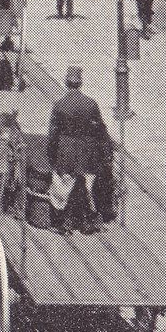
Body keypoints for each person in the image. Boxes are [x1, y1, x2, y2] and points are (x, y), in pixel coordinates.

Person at [46, 66, 112, 235]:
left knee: (64, 187)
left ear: (66, 82)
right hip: (87, 153)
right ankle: (86, 222)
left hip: (66, 153)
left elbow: (53, 134)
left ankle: (65, 223)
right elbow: (101, 129)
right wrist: (106, 149)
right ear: (80, 83)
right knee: (86, 186)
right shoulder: (91, 104)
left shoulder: (60, 105)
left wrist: (51, 154)